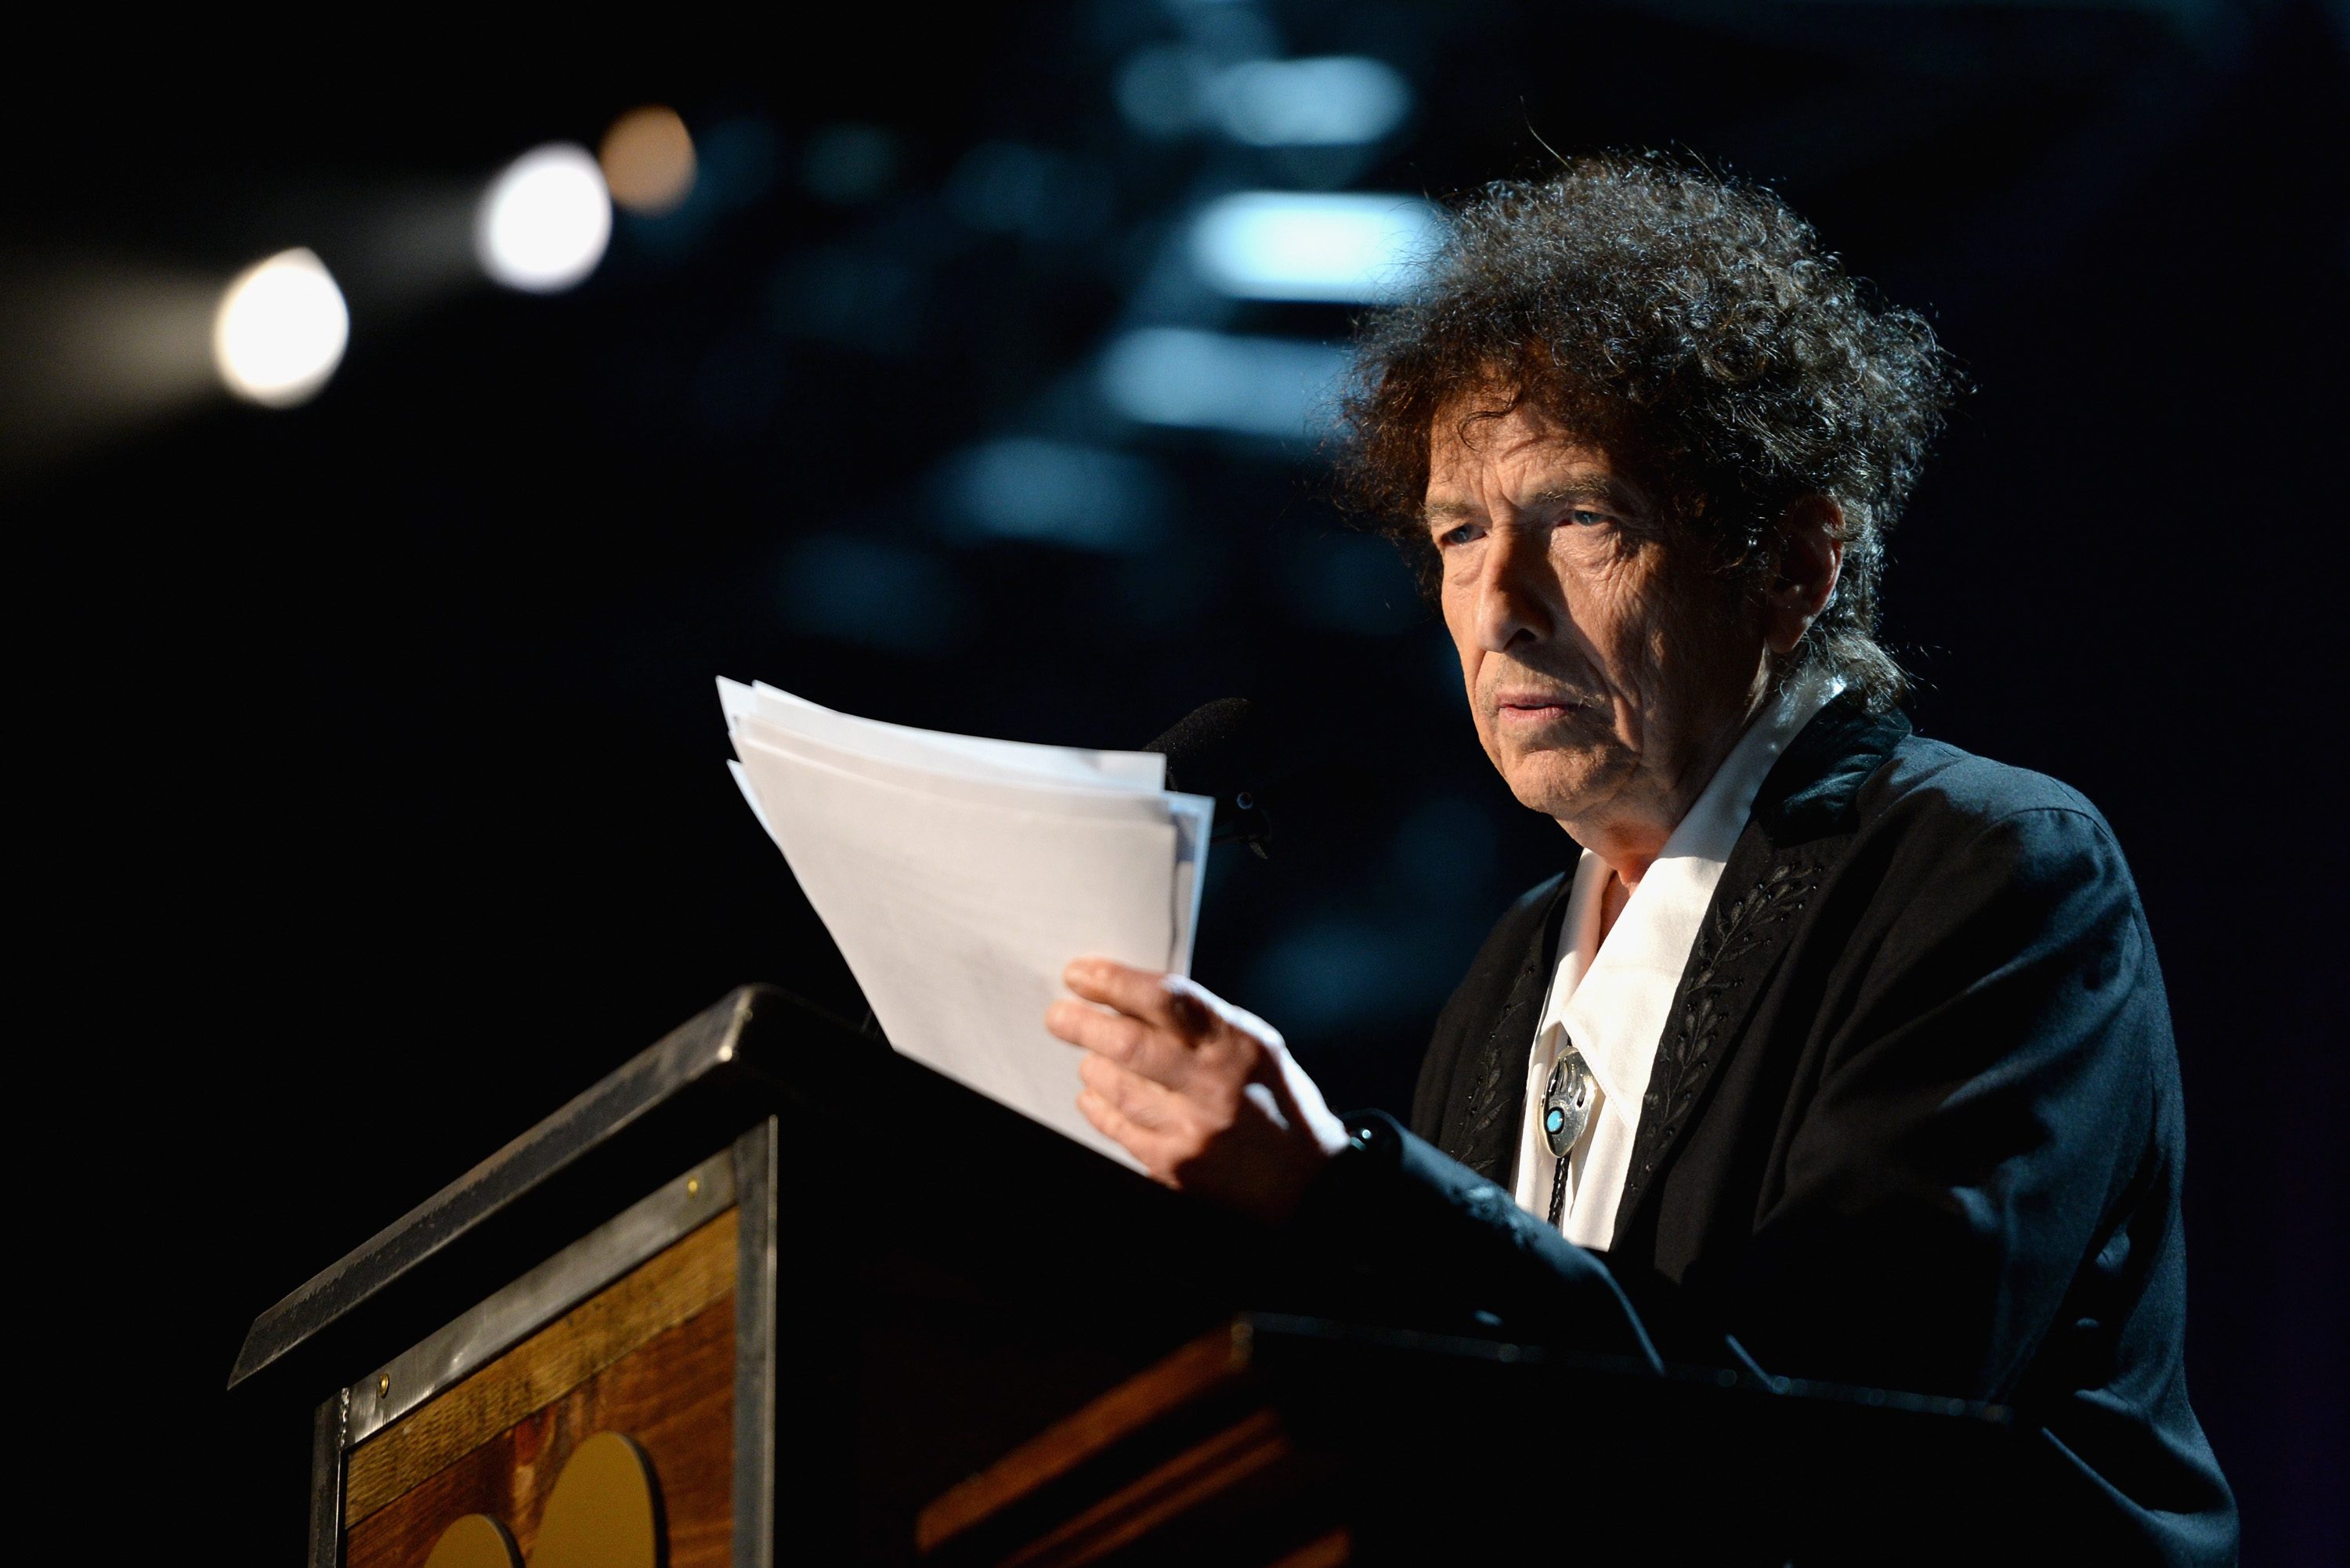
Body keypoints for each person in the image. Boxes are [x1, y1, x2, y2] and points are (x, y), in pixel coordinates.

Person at [1044, 154, 2235, 1561]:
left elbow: (1831, 1425)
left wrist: (1342, 1194)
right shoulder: (1508, 975)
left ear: (1796, 565)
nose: (1500, 607)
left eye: (1583, 520)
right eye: (1460, 533)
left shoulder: (1993, 875)